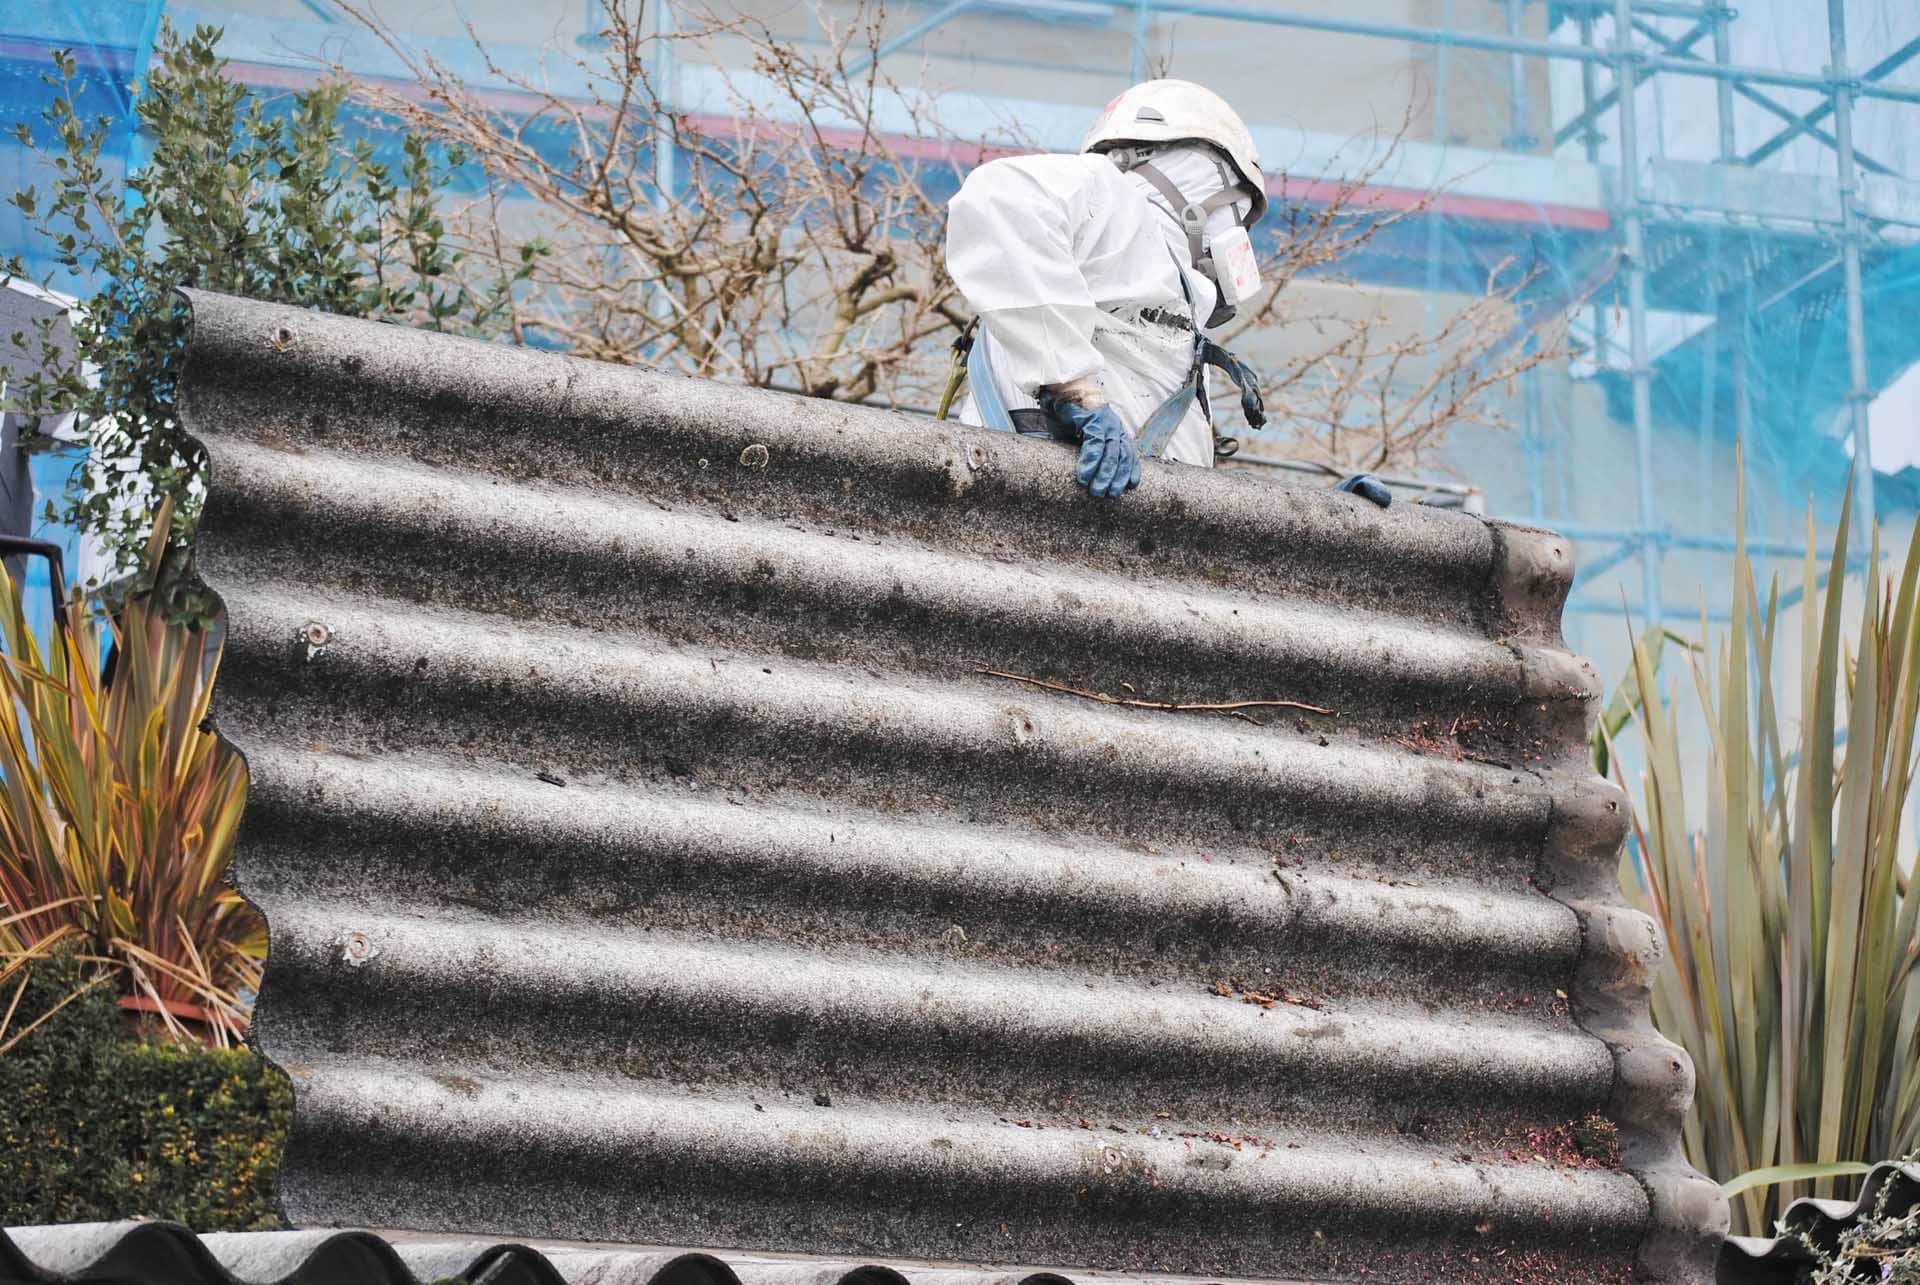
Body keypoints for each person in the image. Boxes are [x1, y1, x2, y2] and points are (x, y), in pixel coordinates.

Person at [943, 79, 1391, 507]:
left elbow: (1181, 484)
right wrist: (1075, 390)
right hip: (1022, 523)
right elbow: (999, 197)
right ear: (1210, 180)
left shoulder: (1174, 323)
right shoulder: (1113, 199)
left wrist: (1319, 518)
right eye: (1240, 211)